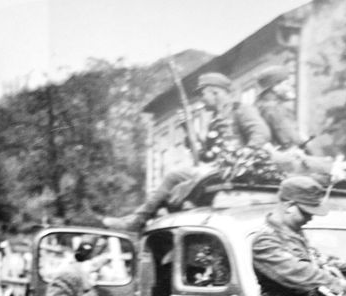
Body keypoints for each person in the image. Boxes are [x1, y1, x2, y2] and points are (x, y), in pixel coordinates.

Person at [103, 72, 271, 233]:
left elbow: (261, 133)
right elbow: (207, 155)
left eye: (203, 94)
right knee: (175, 186)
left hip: (233, 170)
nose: (202, 99)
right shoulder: (215, 120)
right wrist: (188, 131)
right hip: (216, 169)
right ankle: (143, 220)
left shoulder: (240, 110)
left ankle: (137, 220)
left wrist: (244, 155)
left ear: (215, 92)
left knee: (173, 177)